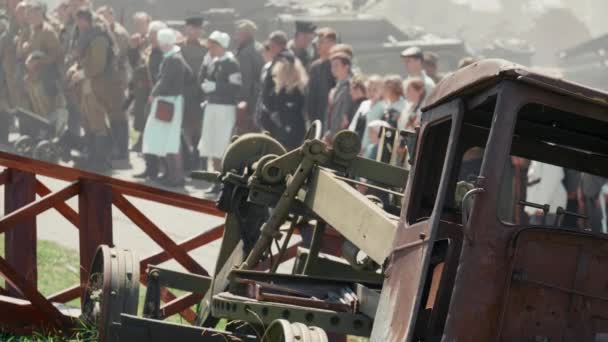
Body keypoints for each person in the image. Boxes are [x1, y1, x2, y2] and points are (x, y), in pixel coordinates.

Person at [71, 7, 125, 172]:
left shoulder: (98, 38)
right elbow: (81, 59)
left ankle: (101, 160)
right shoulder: (85, 36)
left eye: (82, 20)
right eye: (77, 19)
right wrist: (75, 69)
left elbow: (98, 65)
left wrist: (82, 73)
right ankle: (92, 156)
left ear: (89, 20)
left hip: (99, 84)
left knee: (97, 122)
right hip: (88, 84)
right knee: (88, 122)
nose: (79, 23)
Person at [141, 28, 190, 187]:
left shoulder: (173, 59)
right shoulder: (176, 57)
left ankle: (177, 176)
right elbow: (189, 76)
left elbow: (165, 81)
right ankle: (171, 174)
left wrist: (153, 94)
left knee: (171, 139)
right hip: (172, 100)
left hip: (169, 101)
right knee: (167, 139)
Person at [198, 30, 242, 196]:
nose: (210, 48)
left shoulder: (231, 63)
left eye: (213, 45)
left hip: (225, 109)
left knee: (222, 146)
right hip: (212, 107)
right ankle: (216, 181)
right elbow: (202, 79)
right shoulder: (212, 62)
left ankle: (225, 184)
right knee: (211, 144)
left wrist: (217, 87)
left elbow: (236, 87)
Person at [22, 1, 66, 128]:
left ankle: (51, 135)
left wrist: (38, 61)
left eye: (33, 15)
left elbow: (56, 55)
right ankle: (44, 134)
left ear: (40, 14)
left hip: (46, 78)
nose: (30, 18)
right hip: (33, 78)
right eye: (29, 16)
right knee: (38, 111)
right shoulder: (32, 31)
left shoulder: (48, 31)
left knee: (48, 111)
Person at [133, 20, 166, 177]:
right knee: (147, 133)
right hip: (146, 97)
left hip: (158, 98)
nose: (151, 38)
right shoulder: (148, 51)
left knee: (157, 134)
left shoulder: (165, 54)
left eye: (155, 35)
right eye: (151, 34)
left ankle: (162, 168)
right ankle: (150, 167)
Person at [259, 48, 308, 150]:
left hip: (293, 136)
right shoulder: (277, 90)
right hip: (279, 135)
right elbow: (268, 105)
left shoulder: (298, 91)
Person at [178, 16, 207, 171]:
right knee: (181, 130)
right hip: (181, 95)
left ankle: (199, 163)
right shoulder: (178, 47)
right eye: (191, 28)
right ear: (186, 29)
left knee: (198, 131)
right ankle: (184, 162)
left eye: (197, 29)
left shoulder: (206, 49)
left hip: (199, 96)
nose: (194, 32)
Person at [234, 19, 264, 134]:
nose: (236, 36)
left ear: (246, 34)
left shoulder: (246, 53)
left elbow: (246, 80)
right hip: (257, 97)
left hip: (249, 100)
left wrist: (243, 102)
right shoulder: (259, 47)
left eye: (239, 33)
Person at [306, 27, 336, 126]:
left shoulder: (336, 66)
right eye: (318, 42)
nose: (318, 45)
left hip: (331, 120)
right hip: (316, 120)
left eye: (322, 42)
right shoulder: (315, 67)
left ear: (332, 44)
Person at [348, 74, 385, 151]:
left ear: (382, 90)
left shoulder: (384, 107)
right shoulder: (364, 104)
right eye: (369, 89)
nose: (371, 92)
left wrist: (365, 148)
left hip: (371, 150)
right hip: (355, 147)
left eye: (375, 89)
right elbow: (353, 125)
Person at [325, 52, 354, 141]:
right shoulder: (335, 88)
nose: (333, 69)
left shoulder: (351, 86)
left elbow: (344, 113)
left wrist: (333, 133)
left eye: (336, 65)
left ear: (346, 67)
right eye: (332, 66)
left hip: (341, 136)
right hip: (330, 135)